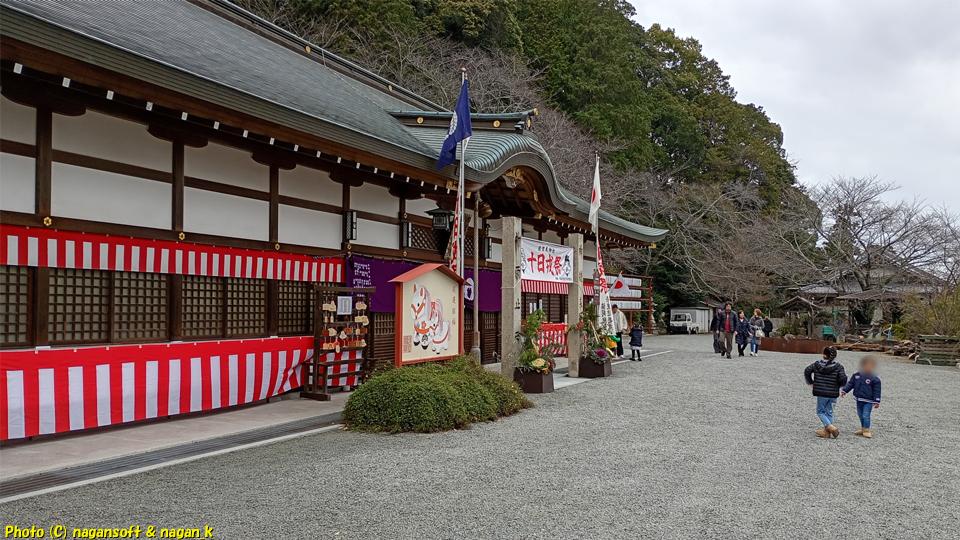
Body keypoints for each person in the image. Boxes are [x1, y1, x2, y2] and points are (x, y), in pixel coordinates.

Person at [803, 346, 848, 438]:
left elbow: (807, 371)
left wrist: (811, 382)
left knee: (820, 411)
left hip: (821, 393)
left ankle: (830, 427)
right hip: (833, 393)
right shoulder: (839, 367)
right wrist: (840, 385)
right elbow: (843, 379)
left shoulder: (816, 364)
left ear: (823, 354)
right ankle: (827, 433)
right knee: (829, 412)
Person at [841, 355, 882, 438]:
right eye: (866, 366)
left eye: (870, 366)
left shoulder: (875, 379)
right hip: (859, 399)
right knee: (860, 414)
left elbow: (877, 391)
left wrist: (877, 401)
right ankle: (863, 428)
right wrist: (845, 390)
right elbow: (851, 384)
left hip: (868, 401)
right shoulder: (857, 376)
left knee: (866, 415)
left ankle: (867, 429)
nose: (868, 368)